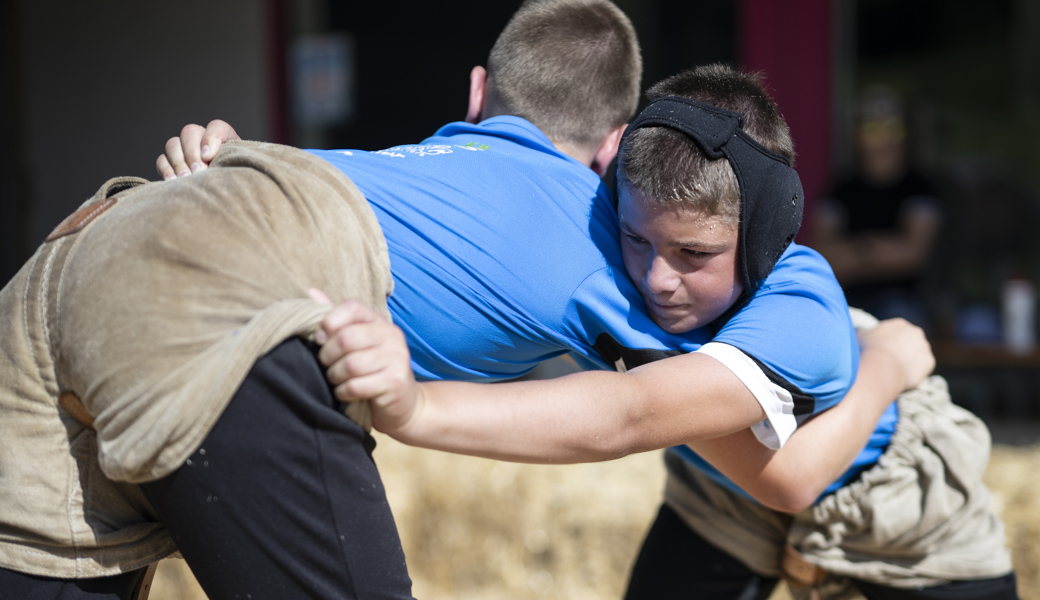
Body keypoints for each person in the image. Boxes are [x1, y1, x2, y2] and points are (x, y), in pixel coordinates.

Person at [314, 66, 1017, 600]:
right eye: (636, 240)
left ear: (762, 240)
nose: (656, 279)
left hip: (888, 491)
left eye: (695, 255)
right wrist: (241, 163)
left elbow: (769, 465)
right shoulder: (613, 232)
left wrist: (420, 408)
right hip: (722, 491)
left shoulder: (802, 307)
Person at [811, 85, 942, 330]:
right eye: (873, 129)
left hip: (904, 303)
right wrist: (877, 250)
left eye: (893, 128)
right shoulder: (841, 189)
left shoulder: (921, 188)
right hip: (844, 299)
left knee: (899, 318)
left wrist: (855, 251)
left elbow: (913, 254)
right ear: (857, 134)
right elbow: (822, 256)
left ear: (907, 134)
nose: (884, 139)